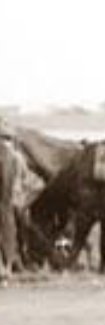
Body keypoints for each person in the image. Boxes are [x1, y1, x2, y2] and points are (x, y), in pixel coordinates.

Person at [0, 117, 31, 281]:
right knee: (11, 231)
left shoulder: (10, 157)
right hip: (12, 202)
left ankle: (6, 267)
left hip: (7, 200)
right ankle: (9, 267)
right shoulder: (17, 156)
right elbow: (25, 180)